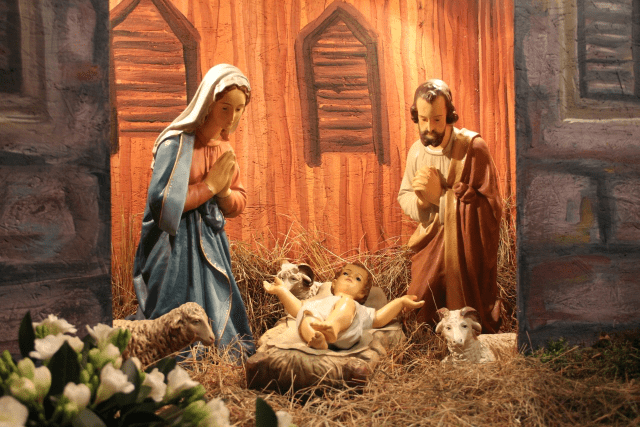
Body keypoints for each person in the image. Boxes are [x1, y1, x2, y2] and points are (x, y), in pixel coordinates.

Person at [132, 64, 255, 357]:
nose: (233, 117)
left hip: (211, 241)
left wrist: (224, 193)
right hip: (174, 243)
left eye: (239, 109)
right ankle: (175, 350)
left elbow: (238, 201)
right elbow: (162, 203)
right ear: (208, 104)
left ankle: (217, 349)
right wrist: (209, 187)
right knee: (176, 297)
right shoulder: (175, 143)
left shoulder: (224, 149)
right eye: (225, 108)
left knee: (214, 293)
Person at [397, 79, 503, 333]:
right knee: (420, 300)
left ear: (449, 115)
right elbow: (404, 195)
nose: (429, 127)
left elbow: (491, 209)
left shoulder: (473, 148)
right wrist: (423, 202)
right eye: (423, 119)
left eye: (437, 119)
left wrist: (441, 199)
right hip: (430, 240)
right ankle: (428, 336)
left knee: (463, 307)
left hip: (466, 249)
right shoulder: (416, 152)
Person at [263, 262, 424, 350]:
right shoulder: (320, 302)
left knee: (345, 301)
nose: (350, 277)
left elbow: (379, 319)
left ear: (362, 294)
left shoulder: (355, 306)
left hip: (343, 335)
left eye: (358, 279)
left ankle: (333, 326)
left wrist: (400, 302)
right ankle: (317, 340)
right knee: (306, 317)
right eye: (346, 273)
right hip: (319, 330)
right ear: (334, 283)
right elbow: (297, 308)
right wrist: (281, 291)